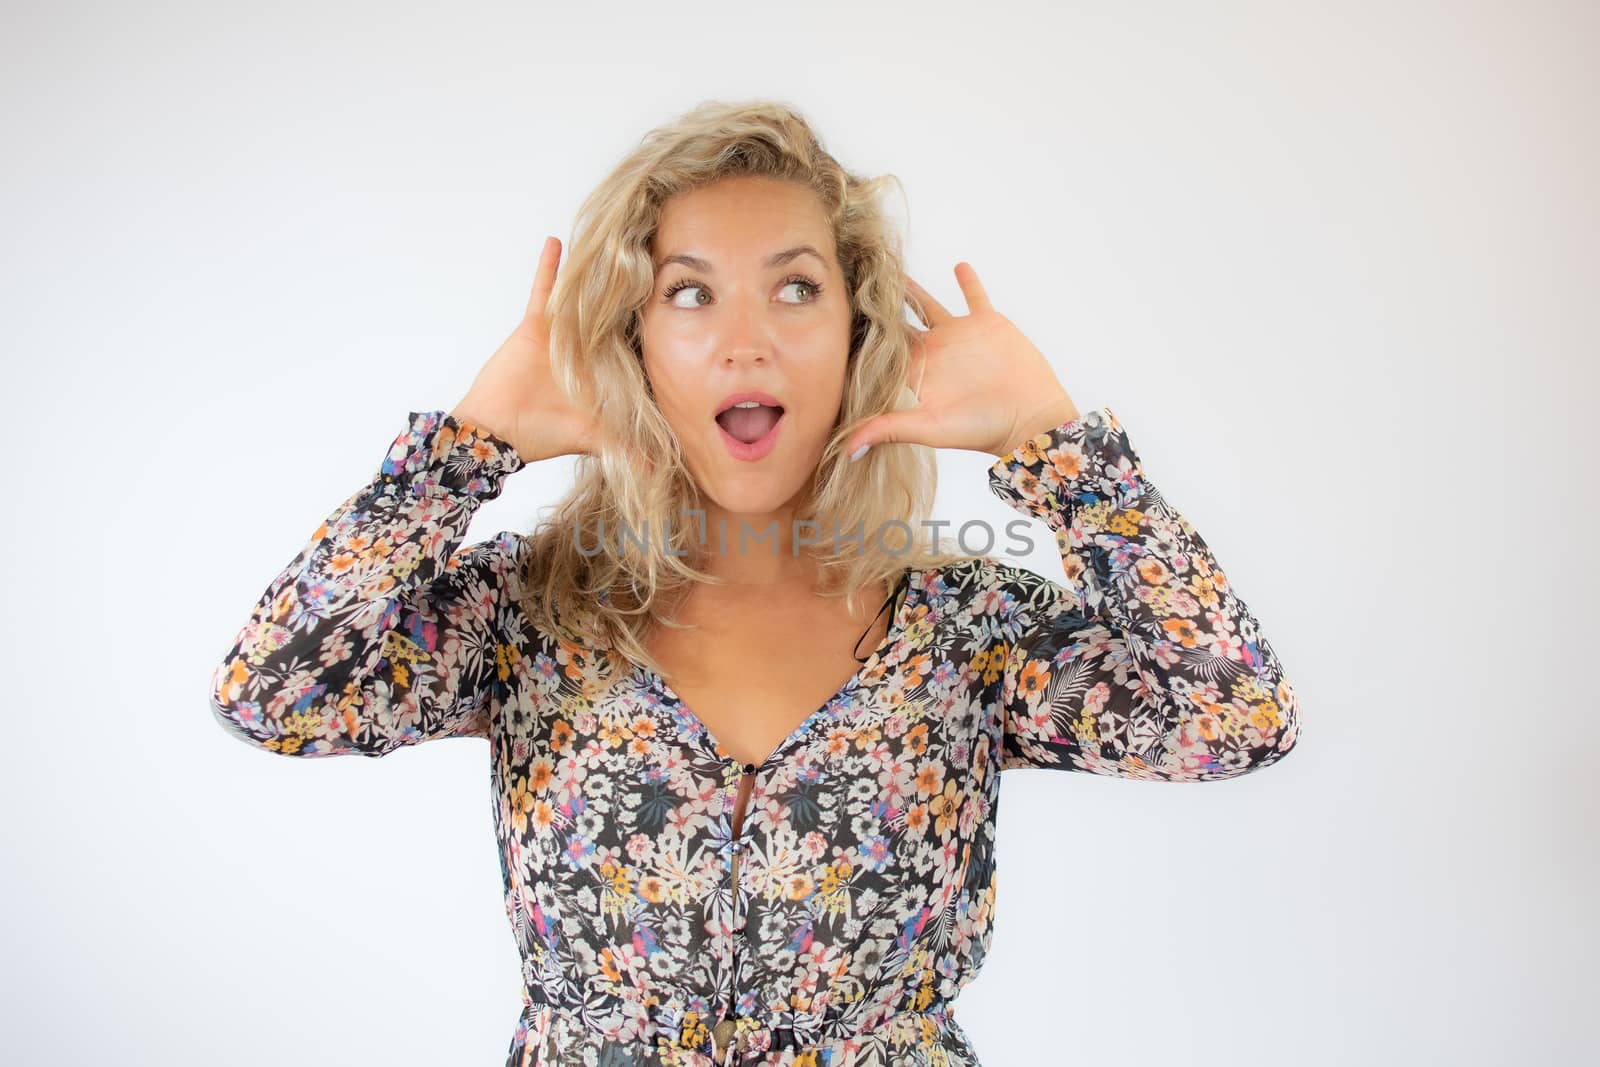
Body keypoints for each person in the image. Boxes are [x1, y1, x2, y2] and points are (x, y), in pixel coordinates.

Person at [208, 100, 1301, 1067]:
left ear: (856, 333)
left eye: (795, 288)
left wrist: (1055, 444)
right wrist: (468, 446)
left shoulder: (970, 622)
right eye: (689, 294)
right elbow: (276, 694)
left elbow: (1237, 716)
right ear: (631, 339)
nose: (744, 341)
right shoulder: (522, 611)